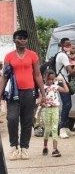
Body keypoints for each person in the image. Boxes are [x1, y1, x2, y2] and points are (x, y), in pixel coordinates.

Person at [0, 29, 46, 160]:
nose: (23, 40)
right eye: (20, 38)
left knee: (27, 121)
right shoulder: (9, 56)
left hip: (29, 92)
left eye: (25, 38)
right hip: (13, 93)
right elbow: (4, 77)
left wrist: (43, 94)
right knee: (12, 119)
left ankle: (24, 148)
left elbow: (37, 75)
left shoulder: (33, 55)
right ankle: (14, 147)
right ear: (14, 40)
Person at [41, 69, 69, 157]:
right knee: (47, 130)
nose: (51, 81)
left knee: (54, 128)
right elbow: (40, 101)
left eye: (52, 79)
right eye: (49, 79)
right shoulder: (42, 88)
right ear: (44, 78)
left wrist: (63, 81)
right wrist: (42, 102)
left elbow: (66, 90)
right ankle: (45, 146)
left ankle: (55, 149)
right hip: (46, 110)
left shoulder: (55, 87)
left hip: (55, 109)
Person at [55, 38, 75, 139]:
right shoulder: (63, 55)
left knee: (68, 104)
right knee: (67, 104)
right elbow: (70, 71)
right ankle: (62, 128)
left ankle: (67, 127)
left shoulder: (60, 54)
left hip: (62, 80)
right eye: (67, 45)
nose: (69, 47)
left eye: (70, 45)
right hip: (61, 81)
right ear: (62, 45)